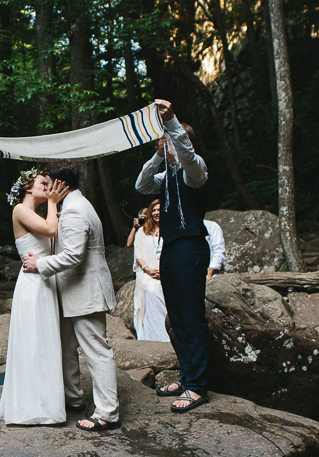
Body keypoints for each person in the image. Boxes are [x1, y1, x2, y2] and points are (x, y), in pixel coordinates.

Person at [22, 161, 121, 432]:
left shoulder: (75, 210)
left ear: (60, 184)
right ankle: (73, 397)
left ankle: (107, 413)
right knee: (66, 348)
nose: (44, 187)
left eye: (47, 182)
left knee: (96, 352)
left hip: (85, 291)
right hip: (71, 291)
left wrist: (40, 265)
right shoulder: (75, 205)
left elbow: (75, 255)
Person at [135, 99, 210, 414]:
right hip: (171, 248)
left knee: (192, 317)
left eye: (167, 140)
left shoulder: (196, 170)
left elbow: (188, 156)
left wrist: (172, 122)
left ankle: (198, 387)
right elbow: (141, 185)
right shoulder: (165, 176)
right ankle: (186, 376)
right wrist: (156, 154)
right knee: (177, 317)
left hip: (191, 247)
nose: (163, 144)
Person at [0, 169, 69, 425]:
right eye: (43, 183)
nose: (49, 188)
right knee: (33, 342)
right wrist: (53, 203)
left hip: (45, 280)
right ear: (27, 188)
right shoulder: (19, 210)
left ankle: (47, 403)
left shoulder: (36, 212)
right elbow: (51, 231)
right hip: (33, 284)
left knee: (46, 342)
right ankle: (29, 406)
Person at [133, 199, 170, 342]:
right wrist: (147, 269)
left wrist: (165, 270)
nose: (156, 213)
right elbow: (138, 254)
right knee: (151, 289)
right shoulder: (142, 231)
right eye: (153, 210)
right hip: (147, 271)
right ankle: (158, 335)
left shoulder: (170, 229)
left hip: (168, 271)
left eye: (159, 210)